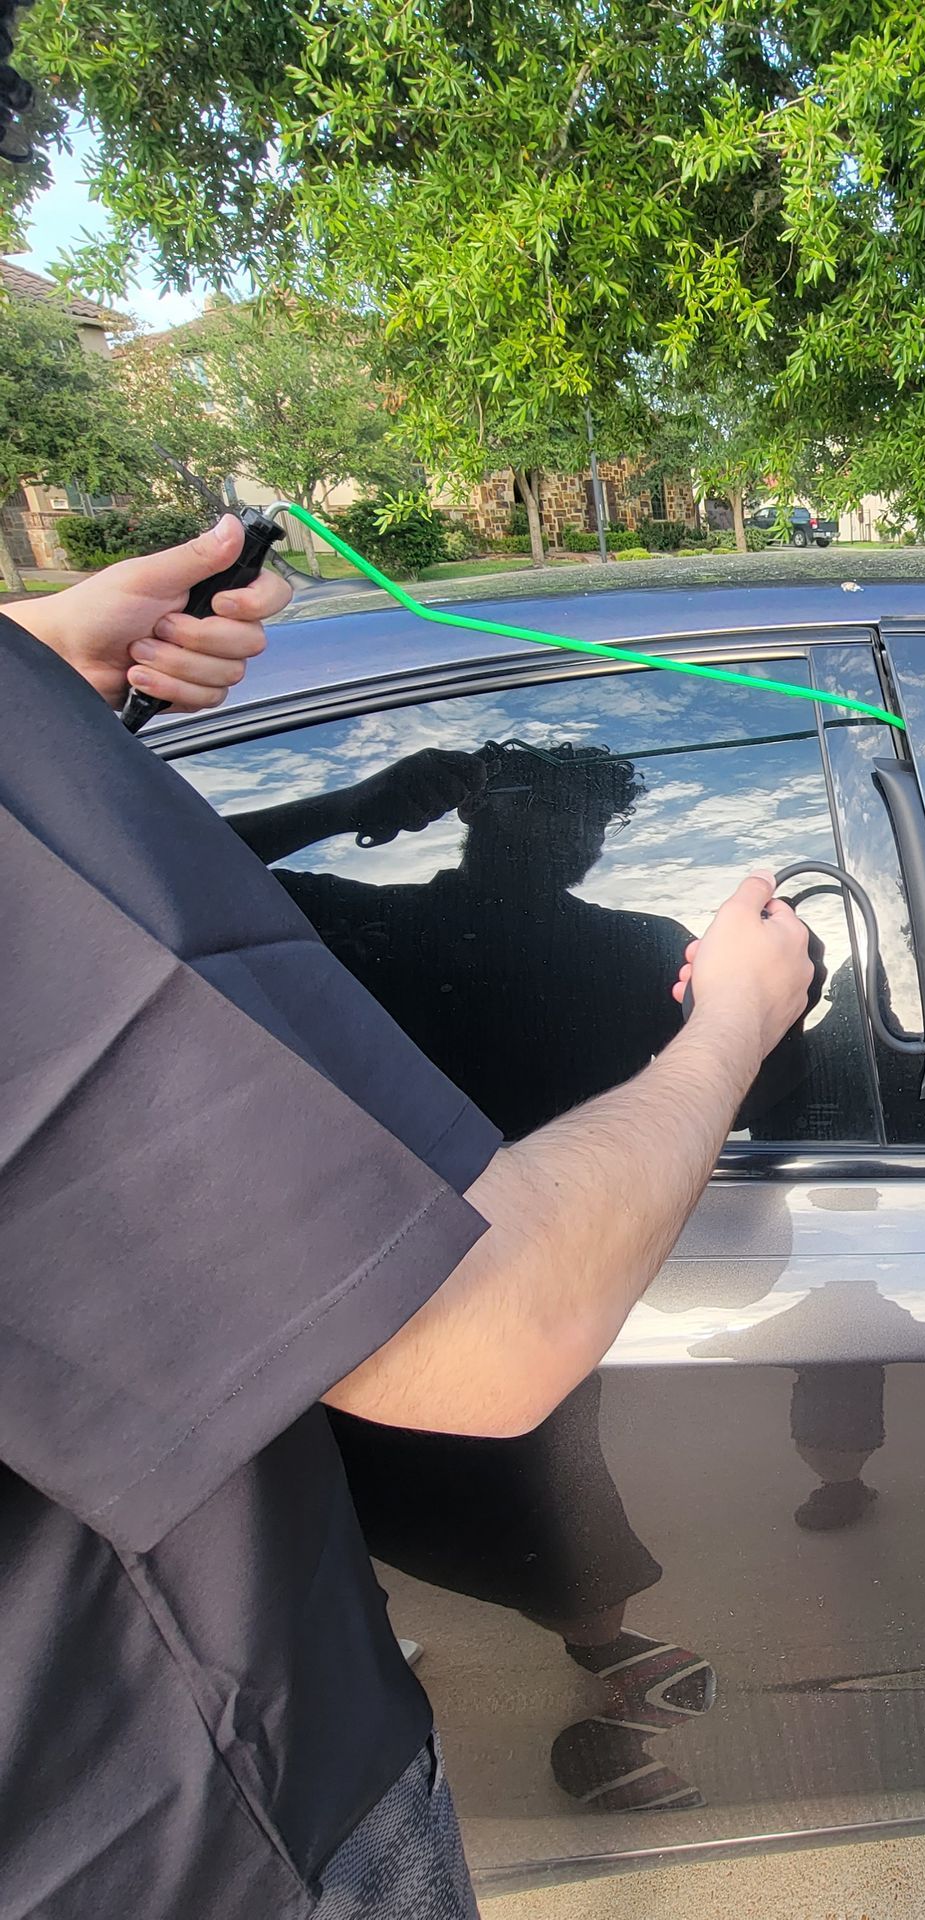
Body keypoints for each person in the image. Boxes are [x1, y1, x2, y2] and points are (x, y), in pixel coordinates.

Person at [0, 519, 816, 1918]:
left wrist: (28, 688)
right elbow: (494, 1331)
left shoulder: (557, 937)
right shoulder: (373, 921)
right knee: (526, 1490)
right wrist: (742, 1016)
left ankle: (600, 1656)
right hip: (213, 1800)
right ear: (481, 816)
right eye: (526, 808)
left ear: (604, 832)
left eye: (576, 817)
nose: (553, 834)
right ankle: (602, 1673)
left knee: (557, 1499)